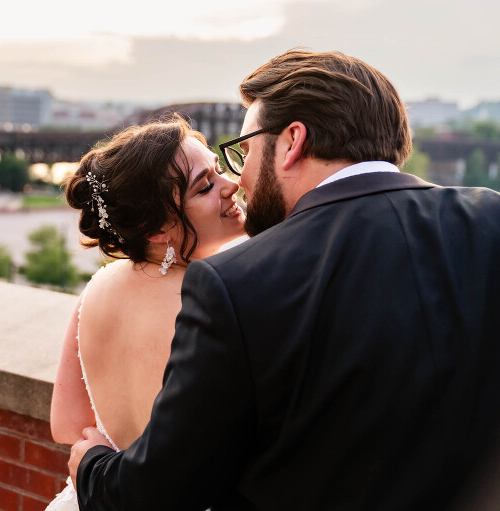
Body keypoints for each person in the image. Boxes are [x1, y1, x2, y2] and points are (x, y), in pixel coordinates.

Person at [70, 49, 500, 511]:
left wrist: (91, 464)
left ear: (292, 141)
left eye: (245, 151)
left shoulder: (235, 284)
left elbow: (159, 491)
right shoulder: (491, 221)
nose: (240, 179)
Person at [47, 117, 247, 510]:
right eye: (206, 185)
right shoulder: (216, 299)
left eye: (220, 170)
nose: (232, 185)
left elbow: (67, 424)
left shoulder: (96, 291)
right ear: (155, 228)